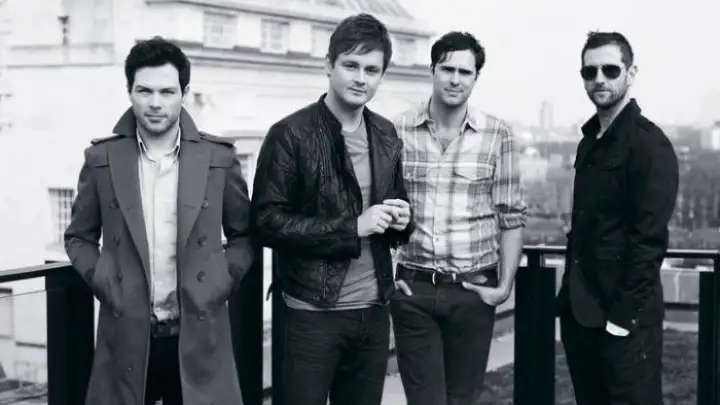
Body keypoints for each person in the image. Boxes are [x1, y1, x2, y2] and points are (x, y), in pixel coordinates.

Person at [64, 36, 254, 405]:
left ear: (184, 93)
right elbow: (78, 238)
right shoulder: (101, 159)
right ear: (130, 92)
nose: (155, 103)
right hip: (127, 335)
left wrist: (218, 282)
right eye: (144, 91)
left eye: (167, 91)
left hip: (198, 331)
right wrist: (107, 281)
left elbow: (244, 235)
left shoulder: (219, 157)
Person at [250, 13, 413, 405]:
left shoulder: (385, 132)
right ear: (328, 65)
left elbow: (394, 207)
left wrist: (403, 220)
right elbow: (266, 222)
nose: (361, 78)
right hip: (311, 312)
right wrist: (351, 228)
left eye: (371, 70)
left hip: (373, 311)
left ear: (382, 75)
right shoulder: (290, 134)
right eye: (351, 65)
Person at [391, 31, 527, 405]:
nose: (455, 79)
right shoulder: (396, 130)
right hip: (414, 289)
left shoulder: (498, 135)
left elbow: (511, 218)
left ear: (475, 78)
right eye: (447, 69)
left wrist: (504, 287)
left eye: (464, 72)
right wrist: (388, 276)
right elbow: (381, 208)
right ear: (432, 71)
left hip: (473, 291)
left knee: (462, 400)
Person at [557, 31, 679, 405]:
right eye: (589, 71)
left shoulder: (650, 144)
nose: (599, 79)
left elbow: (650, 241)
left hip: (626, 324)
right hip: (582, 319)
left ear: (631, 72)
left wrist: (622, 322)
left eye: (610, 69)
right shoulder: (589, 141)